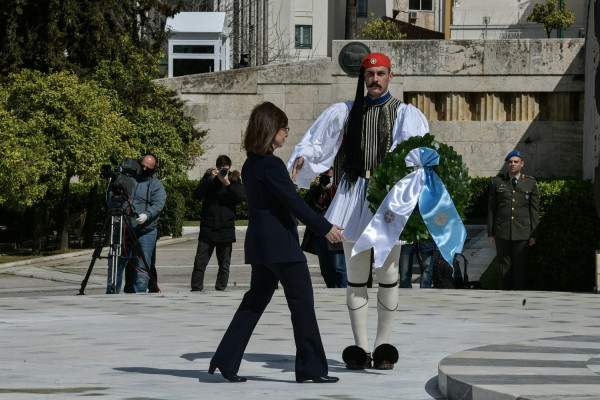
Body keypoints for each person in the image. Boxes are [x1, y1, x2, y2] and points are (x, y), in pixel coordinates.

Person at [288, 52, 429, 370]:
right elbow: (317, 144)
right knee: (355, 278)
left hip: (389, 200)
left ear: (391, 76)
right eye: (369, 74)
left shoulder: (406, 114)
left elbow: (418, 154)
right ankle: (360, 347)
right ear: (362, 78)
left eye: (380, 73)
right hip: (353, 198)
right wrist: (303, 160)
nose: (375, 79)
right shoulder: (345, 112)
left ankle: (383, 347)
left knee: (389, 276)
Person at [209, 101, 344, 384]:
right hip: (281, 246)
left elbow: (277, 199)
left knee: (254, 302)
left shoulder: (251, 164)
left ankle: (225, 359)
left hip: (261, 245)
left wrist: (289, 181)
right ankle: (312, 369)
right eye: (283, 128)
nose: (286, 134)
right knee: (302, 305)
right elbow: (293, 202)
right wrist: (324, 227)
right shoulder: (271, 164)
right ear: (271, 130)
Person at [106, 154, 167, 294]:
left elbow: (159, 203)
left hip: (145, 230)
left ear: (154, 168)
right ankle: (111, 293)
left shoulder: (156, 184)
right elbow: (113, 198)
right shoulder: (128, 179)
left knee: (142, 265)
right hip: (124, 227)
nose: (144, 168)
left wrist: (147, 214)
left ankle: (139, 295)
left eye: (148, 167)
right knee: (116, 263)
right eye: (143, 165)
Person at [191, 155, 244, 292]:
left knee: (224, 264)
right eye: (221, 169)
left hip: (225, 228)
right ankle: (196, 288)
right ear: (216, 167)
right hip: (208, 227)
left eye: (225, 169)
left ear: (230, 168)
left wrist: (227, 183)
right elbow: (197, 194)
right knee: (199, 262)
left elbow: (239, 198)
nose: (223, 172)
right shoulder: (209, 178)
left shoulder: (234, 179)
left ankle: (221, 288)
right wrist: (210, 179)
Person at [487, 150, 539, 290]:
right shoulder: (497, 181)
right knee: (504, 265)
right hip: (502, 230)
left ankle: (519, 293)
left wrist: (534, 234)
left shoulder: (530, 182)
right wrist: (491, 233)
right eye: (510, 162)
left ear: (522, 164)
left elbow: (534, 211)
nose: (512, 164)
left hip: (523, 231)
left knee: (520, 266)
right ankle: (504, 294)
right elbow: (492, 208)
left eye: (516, 162)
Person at [302, 168, 347, 288]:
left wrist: (330, 188)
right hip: (319, 235)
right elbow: (304, 206)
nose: (325, 178)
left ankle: (342, 292)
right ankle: (332, 290)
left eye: (328, 176)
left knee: (339, 267)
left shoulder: (338, 190)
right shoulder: (317, 190)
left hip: (334, 232)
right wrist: (315, 187)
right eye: (323, 176)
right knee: (325, 268)